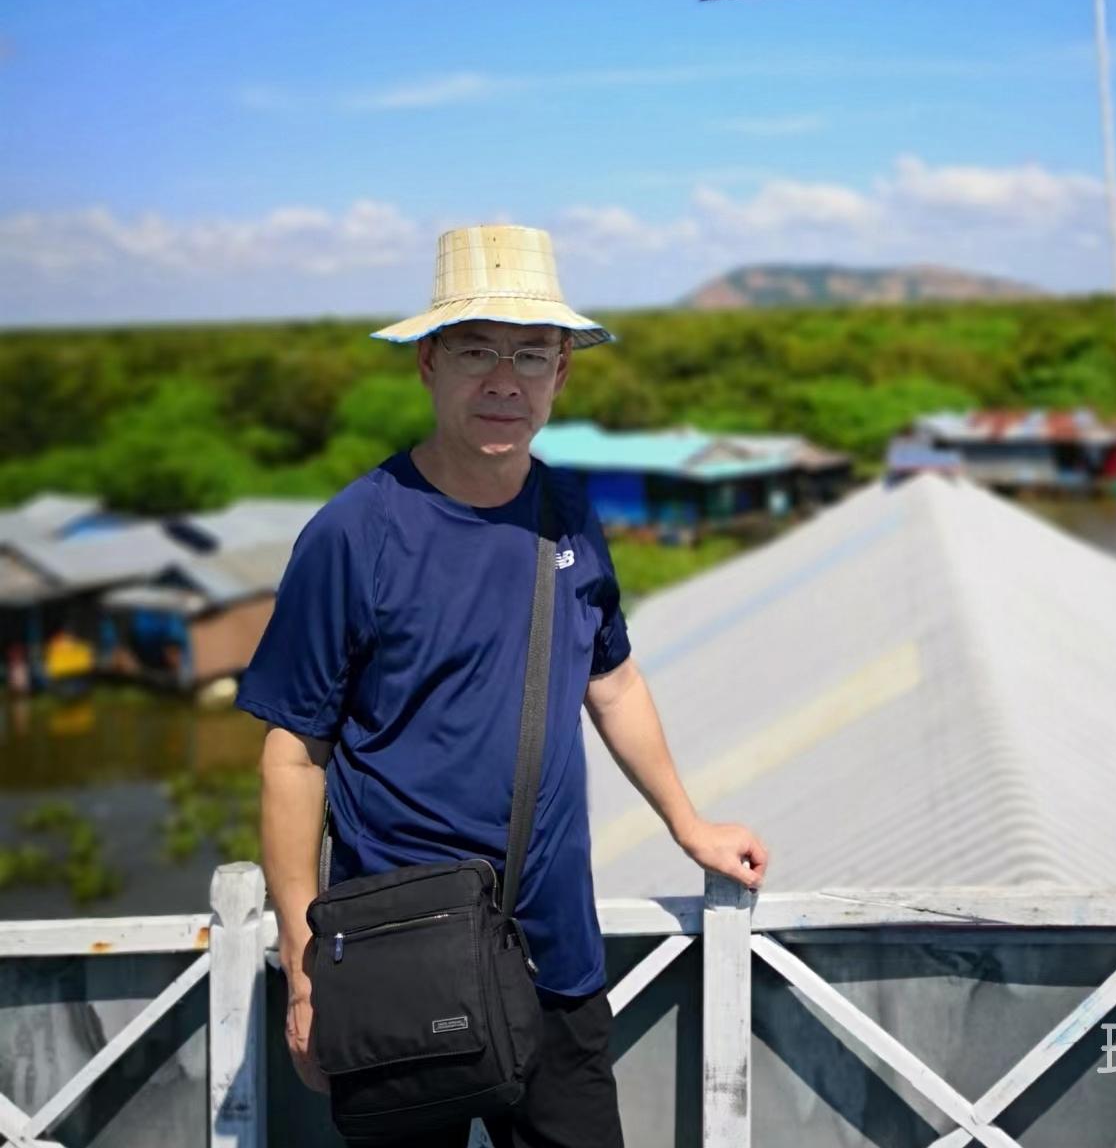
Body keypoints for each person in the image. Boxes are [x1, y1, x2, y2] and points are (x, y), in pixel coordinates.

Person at [238, 224, 769, 1148]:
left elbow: (611, 680)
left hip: (553, 952)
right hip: (405, 954)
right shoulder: (355, 533)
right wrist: (303, 953)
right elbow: (293, 752)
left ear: (562, 375)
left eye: (532, 355)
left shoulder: (567, 511)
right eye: (477, 350)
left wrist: (690, 824)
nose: (504, 380)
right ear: (428, 365)